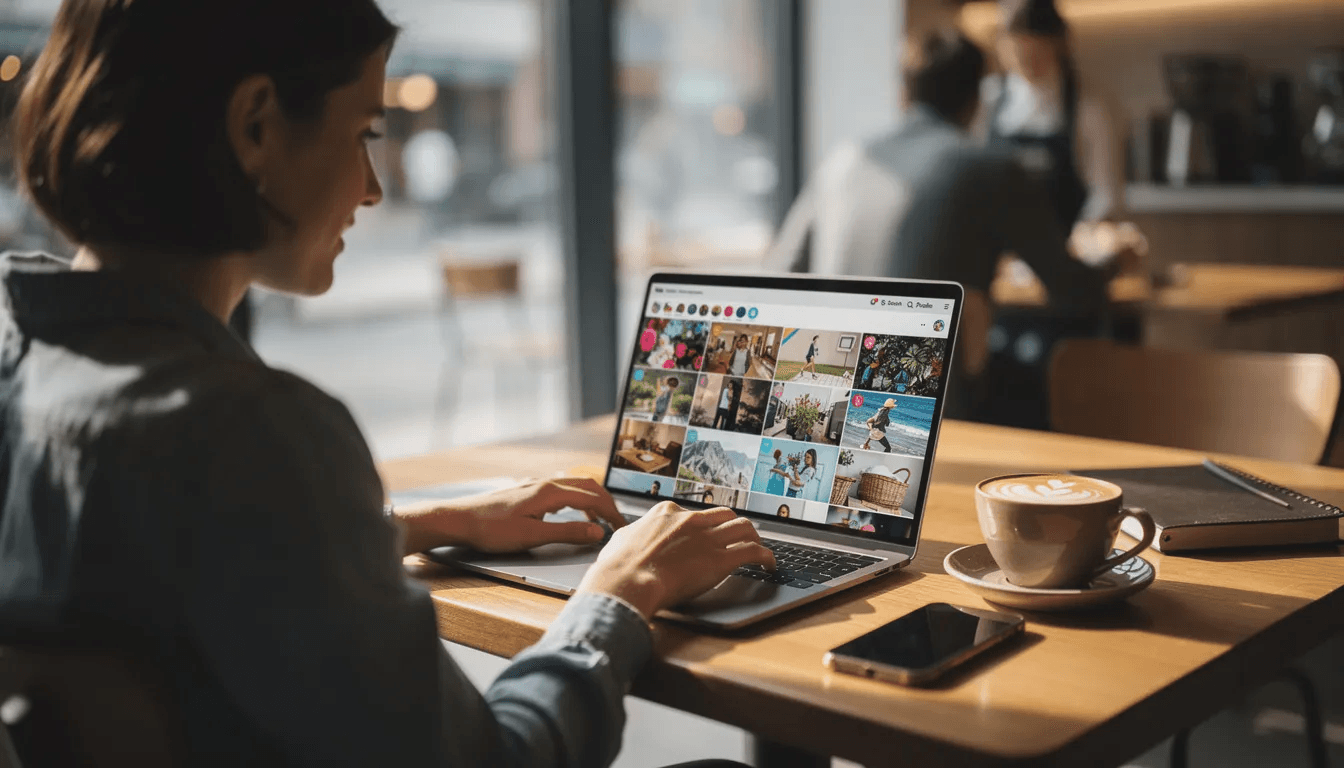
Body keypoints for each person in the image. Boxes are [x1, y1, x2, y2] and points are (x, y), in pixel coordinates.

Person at [0, 2, 775, 766]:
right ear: (255, 127)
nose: (373, 187)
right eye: (365, 131)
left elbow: (172, 566)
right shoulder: (249, 432)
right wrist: (619, 594)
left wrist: (420, 522)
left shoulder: (24, 365)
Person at [766, 28, 1112, 314]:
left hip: (841, 379)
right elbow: (1071, 288)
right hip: (935, 389)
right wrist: (1113, 264)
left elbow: (781, 274)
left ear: (904, 93)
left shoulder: (844, 160)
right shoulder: (989, 168)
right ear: (976, 98)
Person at [985, 0, 1123, 233]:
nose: (1028, 62)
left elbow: (1106, 193)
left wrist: (1086, 233)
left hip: (1064, 246)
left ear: (1058, 45)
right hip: (998, 248)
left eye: (1037, 53)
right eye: (1018, 53)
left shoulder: (1087, 106)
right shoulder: (988, 99)